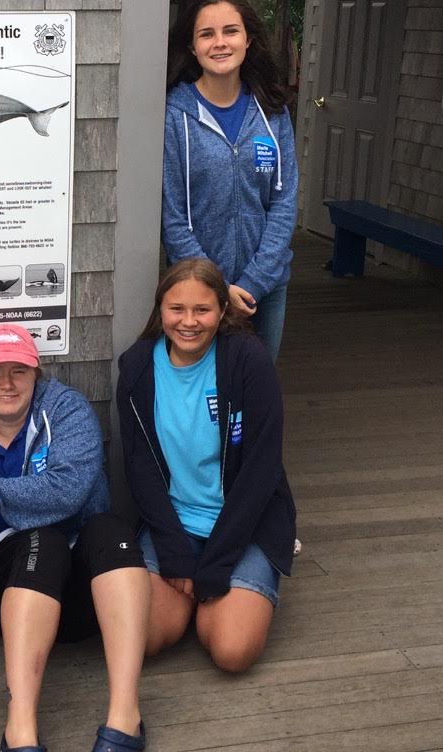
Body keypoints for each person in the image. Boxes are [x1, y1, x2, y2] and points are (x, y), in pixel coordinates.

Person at [0, 324, 149, 752]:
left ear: (36, 373)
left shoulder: (66, 410)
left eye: (19, 371)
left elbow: (68, 489)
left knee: (112, 531)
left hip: (79, 597)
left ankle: (125, 715)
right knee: (43, 540)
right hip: (3, 590)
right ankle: (19, 728)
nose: (6, 383)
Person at [116, 259, 296, 673]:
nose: (189, 322)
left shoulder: (247, 360)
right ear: (160, 309)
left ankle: (235, 595)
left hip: (244, 525)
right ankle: (194, 597)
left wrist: (217, 560)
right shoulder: (138, 366)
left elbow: (261, 470)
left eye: (203, 310)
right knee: (141, 638)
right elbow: (139, 466)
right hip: (175, 522)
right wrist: (174, 549)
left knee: (232, 652)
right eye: (177, 308)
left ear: (221, 310)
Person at [162, 0, 300, 361]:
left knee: (258, 388)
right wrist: (220, 288)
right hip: (199, 293)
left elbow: (284, 202)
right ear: (192, 47)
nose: (219, 43)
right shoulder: (174, 116)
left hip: (265, 289)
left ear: (248, 40)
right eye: (206, 34)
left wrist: (253, 283)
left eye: (230, 31)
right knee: (207, 392)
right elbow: (173, 216)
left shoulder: (272, 113)